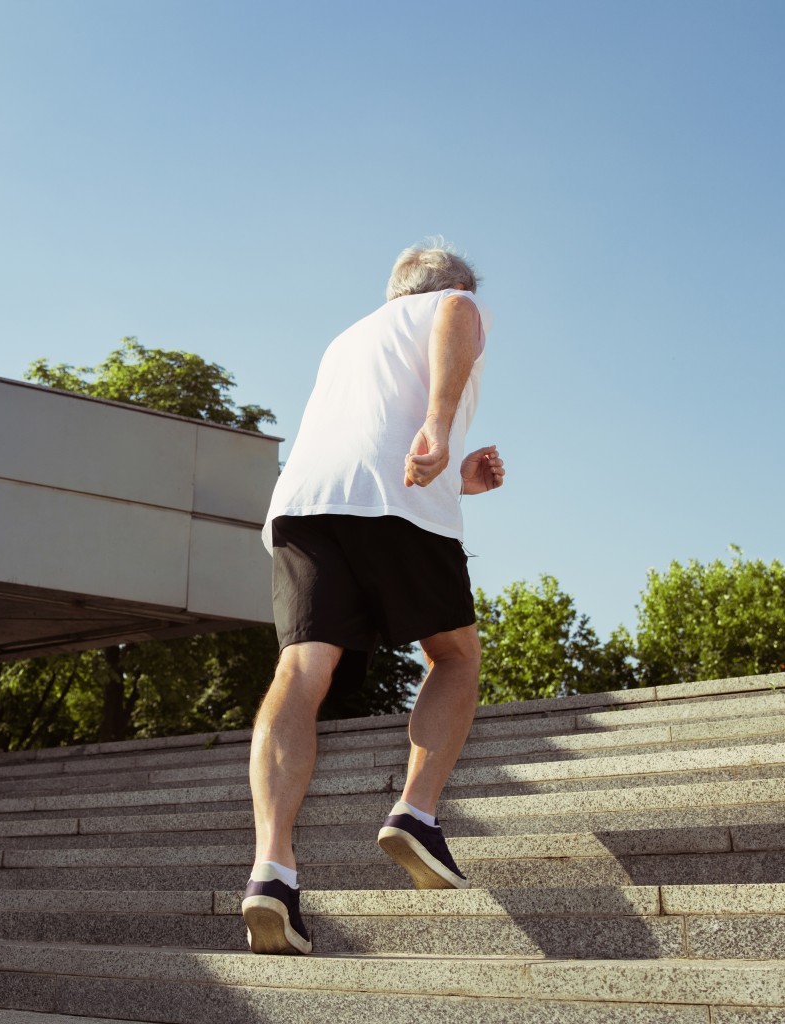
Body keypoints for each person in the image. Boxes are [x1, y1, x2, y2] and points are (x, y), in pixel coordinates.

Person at [241, 240, 505, 955]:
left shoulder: (348, 338)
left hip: (302, 505)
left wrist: (458, 480)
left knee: (300, 673)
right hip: (395, 501)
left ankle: (271, 870)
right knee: (453, 657)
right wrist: (442, 426)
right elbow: (454, 311)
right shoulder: (453, 302)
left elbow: (362, 437)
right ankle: (416, 813)